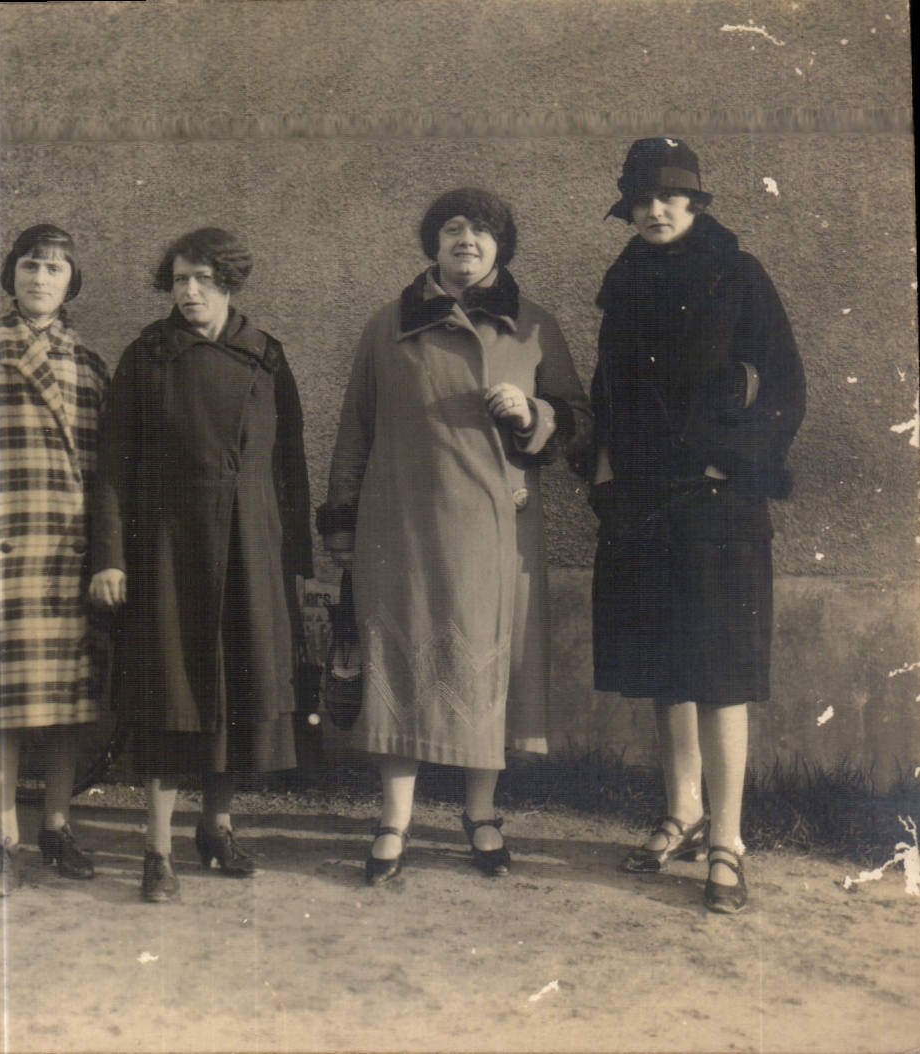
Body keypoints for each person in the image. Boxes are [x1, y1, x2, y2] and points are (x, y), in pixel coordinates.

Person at [320, 189, 590, 886]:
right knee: (401, 668)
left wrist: (533, 412)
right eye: (451, 228)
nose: (465, 239)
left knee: (483, 670)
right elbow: (354, 429)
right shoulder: (388, 327)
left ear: (502, 246)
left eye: (480, 230)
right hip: (398, 527)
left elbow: (576, 421)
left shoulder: (534, 327)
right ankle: (394, 819)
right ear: (431, 245)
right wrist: (342, 522)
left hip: (493, 527)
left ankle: (481, 813)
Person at [584, 138, 805, 914]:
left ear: (696, 203)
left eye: (669, 198)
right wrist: (606, 475)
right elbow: (605, 390)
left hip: (716, 509)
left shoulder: (737, 275)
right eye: (640, 199)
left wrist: (731, 464)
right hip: (643, 504)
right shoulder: (624, 282)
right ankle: (680, 814)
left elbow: (783, 385)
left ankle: (727, 842)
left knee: (716, 675)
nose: (654, 210)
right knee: (661, 670)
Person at [90, 228, 313, 902]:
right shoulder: (147, 356)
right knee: (171, 696)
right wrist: (110, 558)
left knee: (234, 692)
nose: (189, 293)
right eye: (180, 280)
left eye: (204, 281)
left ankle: (215, 827)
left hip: (250, 548)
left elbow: (289, 468)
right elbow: (111, 467)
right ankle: (156, 851)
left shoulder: (265, 357)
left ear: (229, 285)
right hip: (167, 550)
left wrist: (294, 565)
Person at [0, 224, 110, 897]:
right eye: (31, 265)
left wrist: (99, 554)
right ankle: (4, 835)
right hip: (3, 557)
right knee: (2, 707)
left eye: (56, 268)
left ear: (71, 284)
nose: (41, 278)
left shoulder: (90, 364)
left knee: (65, 706)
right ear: (11, 276)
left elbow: (105, 474)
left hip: (66, 557)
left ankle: (57, 825)